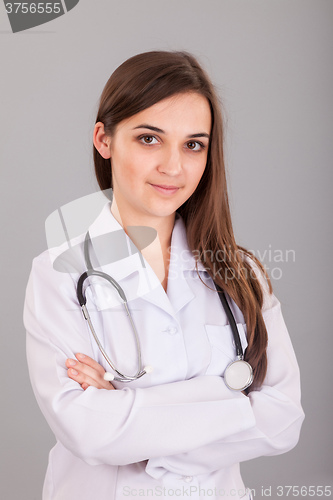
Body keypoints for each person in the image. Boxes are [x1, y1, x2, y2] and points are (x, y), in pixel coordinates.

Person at [24, 51, 305, 500]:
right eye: (150, 139)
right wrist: (230, 401)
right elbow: (87, 432)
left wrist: (128, 417)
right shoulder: (60, 273)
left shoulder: (242, 273)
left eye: (193, 144)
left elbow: (284, 418)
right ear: (104, 139)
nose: (174, 167)